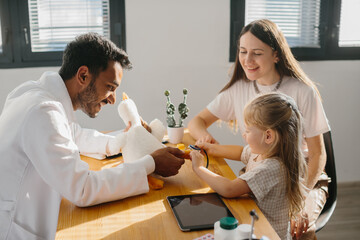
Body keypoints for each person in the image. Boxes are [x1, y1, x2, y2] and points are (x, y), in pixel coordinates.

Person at [0, 33, 185, 239]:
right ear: (83, 75)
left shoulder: (36, 95)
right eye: (110, 87)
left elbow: (73, 136)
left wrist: (128, 138)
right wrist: (151, 164)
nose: (113, 99)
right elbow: (83, 189)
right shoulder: (43, 111)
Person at [188, 19, 330, 240]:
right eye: (243, 52)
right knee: (235, 215)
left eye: (256, 53)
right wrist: (206, 140)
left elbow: (318, 153)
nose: (247, 60)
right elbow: (196, 122)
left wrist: (301, 198)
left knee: (301, 227)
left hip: (303, 178)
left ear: (276, 54)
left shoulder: (303, 91)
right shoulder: (239, 89)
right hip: (263, 169)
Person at [191, 92, 308, 240]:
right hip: (253, 222)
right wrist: (211, 148)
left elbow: (229, 189)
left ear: (268, 136)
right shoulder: (263, 152)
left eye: (247, 130)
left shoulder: (271, 167)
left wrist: (199, 168)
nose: (244, 135)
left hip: (266, 234)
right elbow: (241, 152)